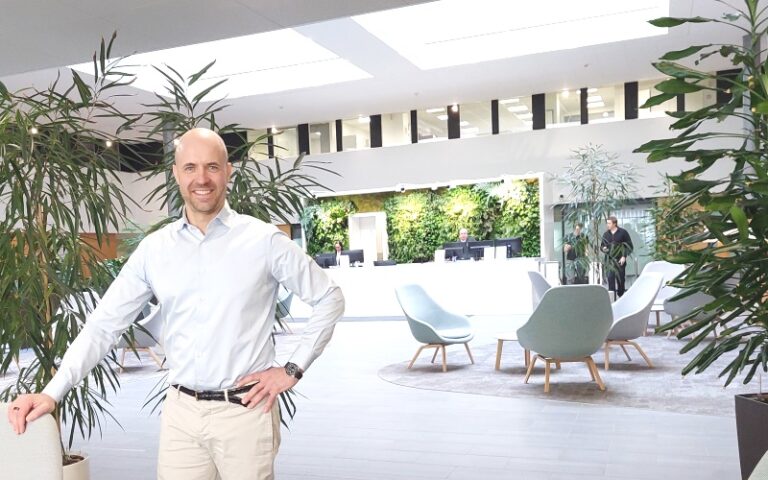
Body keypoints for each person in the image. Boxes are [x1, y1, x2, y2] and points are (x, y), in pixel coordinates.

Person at [6, 128, 345, 480]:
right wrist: (52, 393)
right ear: (176, 174)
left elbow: (330, 297)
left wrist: (292, 369)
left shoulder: (263, 240)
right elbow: (104, 325)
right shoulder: (155, 249)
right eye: (190, 167)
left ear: (228, 172)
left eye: (212, 167)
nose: (202, 178)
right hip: (181, 415)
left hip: (244, 412)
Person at [601, 215, 633, 297]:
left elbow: (629, 246)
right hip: (609, 261)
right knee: (610, 278)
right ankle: (611, 299)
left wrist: (624, 256)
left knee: (621, 279)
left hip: (620, 260)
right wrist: (603, 248)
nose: (607, 225)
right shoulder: (606, 234)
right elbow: (602, 246)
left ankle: (621, 296)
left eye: (609, 223)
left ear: (614, 224)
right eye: (607, 223)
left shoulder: (623, 232)